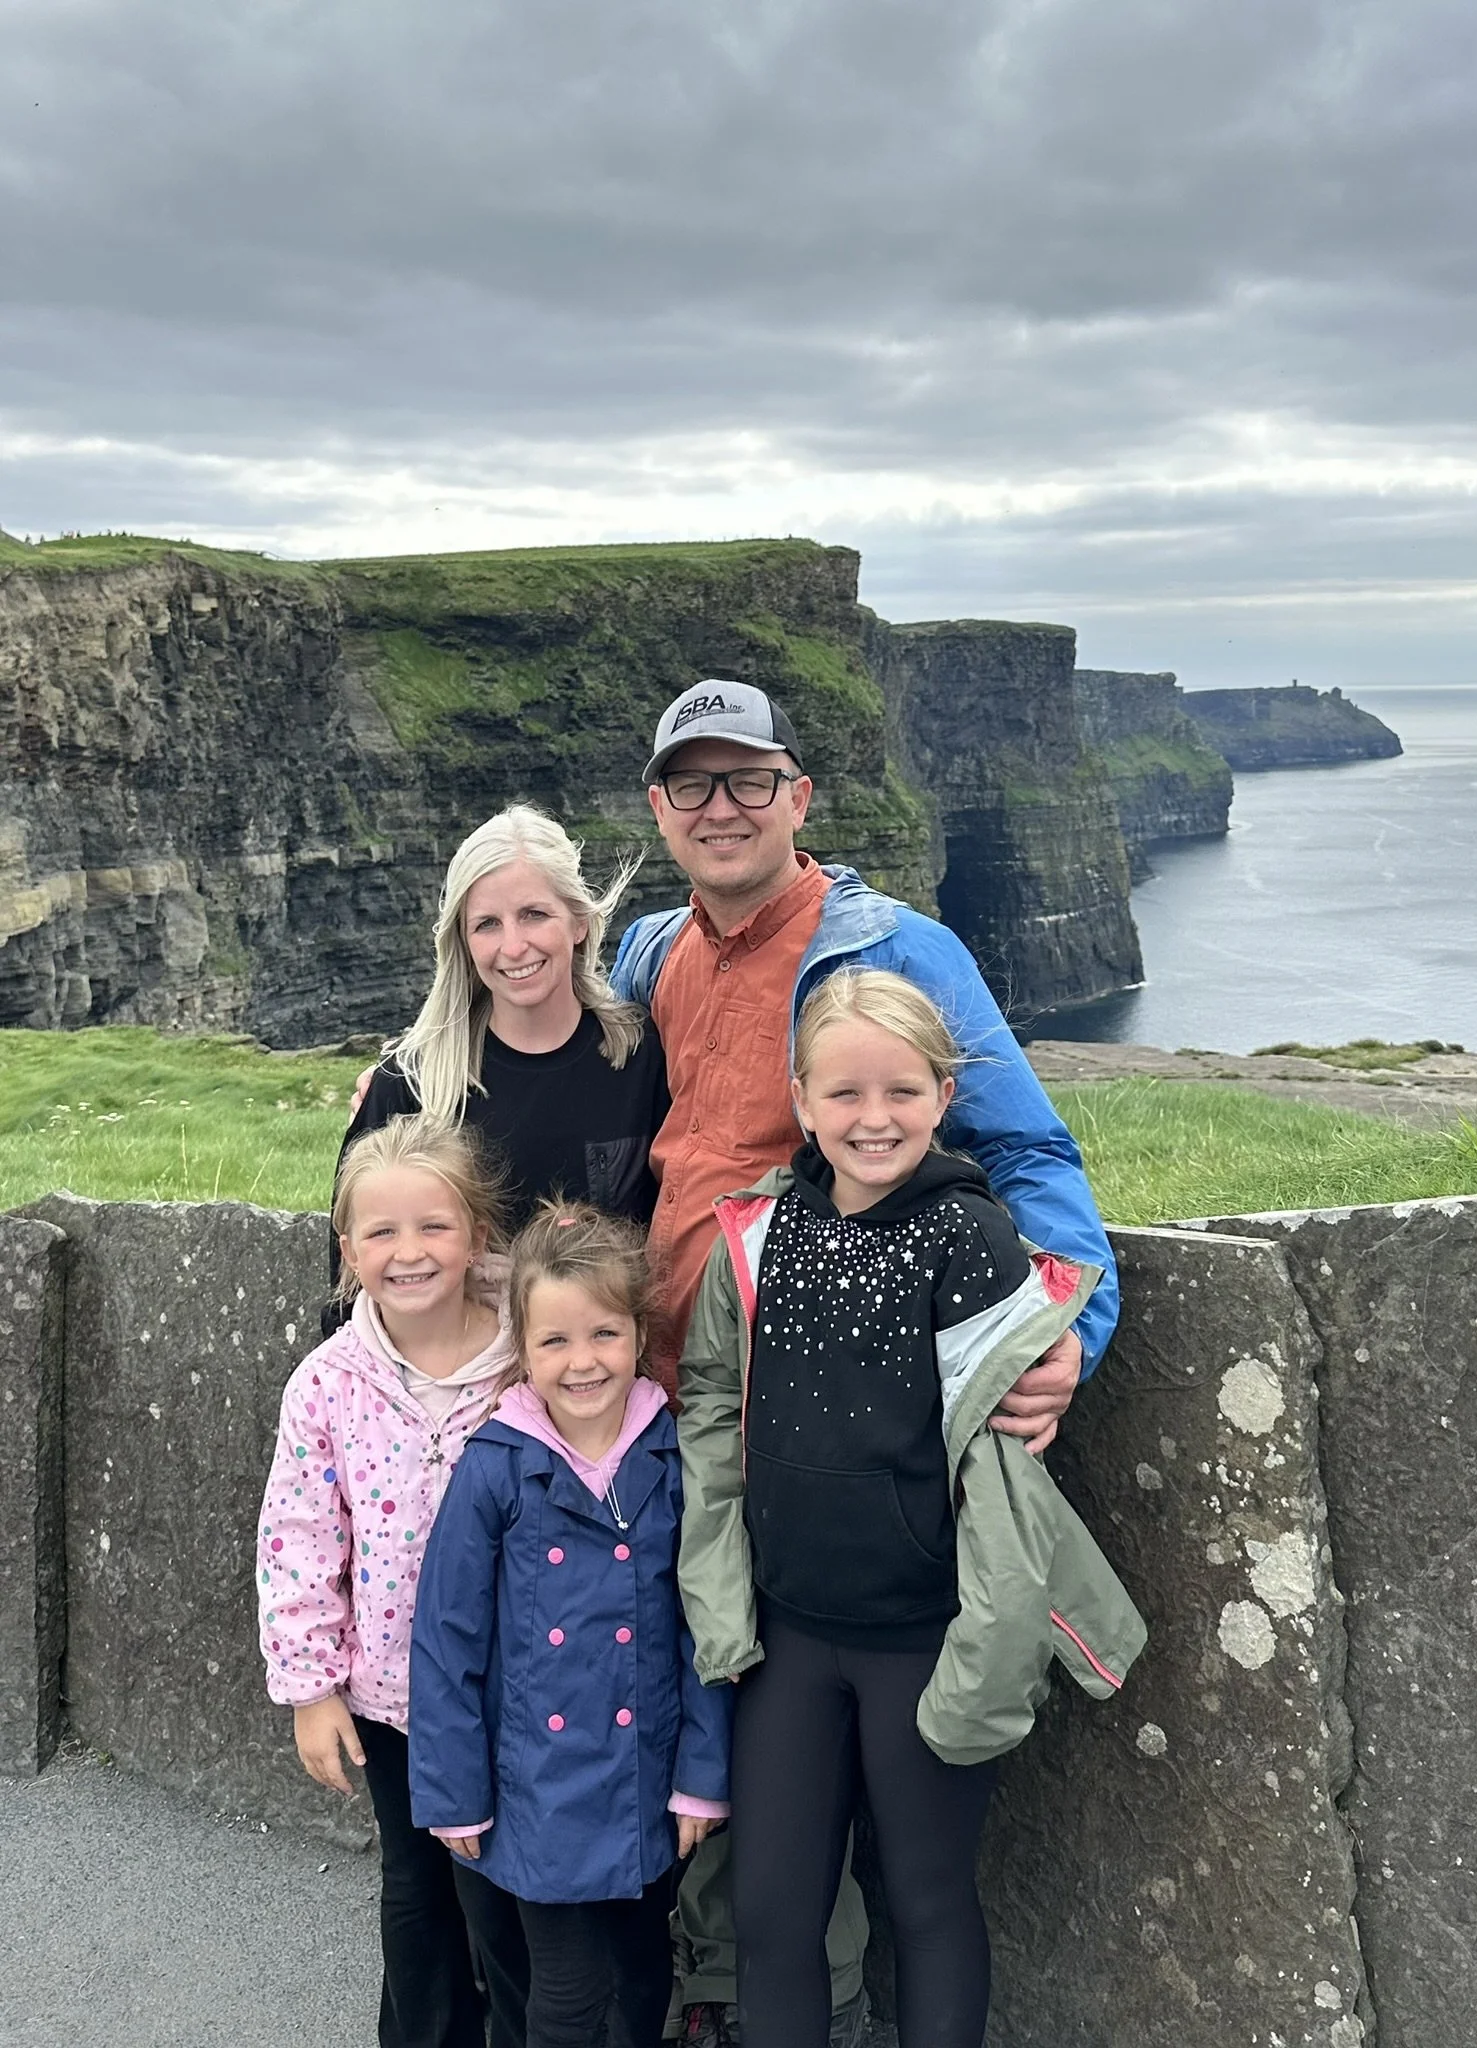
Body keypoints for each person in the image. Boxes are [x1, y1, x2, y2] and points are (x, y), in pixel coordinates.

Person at [607, 679, 1121, 2043]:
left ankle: (777, 1996)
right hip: (676, 1405)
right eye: (694, 785)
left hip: (841, 1451)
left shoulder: (889, 949)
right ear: (660, 810)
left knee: (886, 1848)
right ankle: (725, 1989)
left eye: (748, 780)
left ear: (798, 797)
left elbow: (1026, 1151)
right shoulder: (652, 950)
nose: (723, 808)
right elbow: (538, 1049)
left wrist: (1070, 1332)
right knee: (715, 1736)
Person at [675, 969, 1146, 2048]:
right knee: (771, 1910)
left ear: (943, 1095)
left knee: (930, 1903)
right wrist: (719, 1589)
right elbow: (710, 1399)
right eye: (842, 1093)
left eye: (900, 1091)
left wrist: (985, 1655)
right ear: (799, 1100)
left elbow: (1005, 1478)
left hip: (924, 1636)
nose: (872, 1117)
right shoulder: (756, 1235)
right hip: (787, 1630)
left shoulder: (968, 1237)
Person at [408, 1201, 734, 2048]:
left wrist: (703, 1774)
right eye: (554, 1341)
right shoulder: (494, 1469)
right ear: (522, 1350)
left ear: (638, 1333)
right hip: (538, 1792)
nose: (582, 1361)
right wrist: (453, 1795)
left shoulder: (673, 1458)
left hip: (645, 1778)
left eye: (603, 1335)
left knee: (640, 1974)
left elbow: (709, 1627)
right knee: (566, 1992)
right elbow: (446, 1642)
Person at [257, 1116, 532, 2048]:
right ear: (348, 1251)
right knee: (417, 1890)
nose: (408, 1253)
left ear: (478, 1236)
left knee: (509, 1898)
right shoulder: (327, 1386)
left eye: (433, 1227)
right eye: (380, 1233)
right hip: (392, 1693)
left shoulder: (536, 1362)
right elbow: (298, 1542)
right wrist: (311, 1692)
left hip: (522, 1685)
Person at [333, 803, 670, 1309]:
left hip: (599, 1375)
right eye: (487, 924)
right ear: (463, 943)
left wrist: (526, 1284)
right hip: (445, 1380)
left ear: (578, 921)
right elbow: (350, 1287)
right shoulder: (410, 1086)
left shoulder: (646, 1062)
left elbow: (670, 1253)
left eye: (534, 914)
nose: (513, 947)